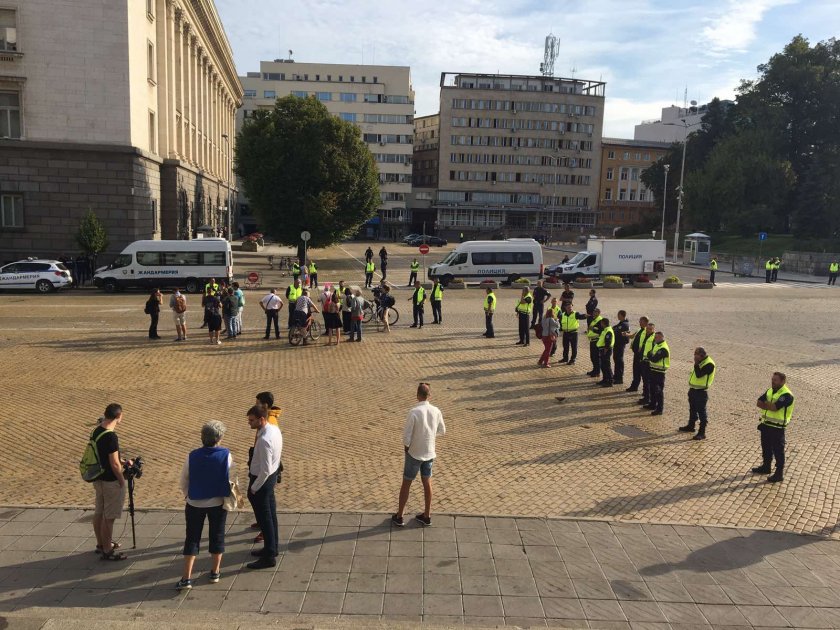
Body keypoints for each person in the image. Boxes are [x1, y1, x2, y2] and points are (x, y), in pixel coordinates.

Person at [176, 420, 233, 590]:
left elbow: (183, 480)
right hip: (217, 502)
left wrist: (187, 495)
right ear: (219, 438)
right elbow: (232, 479)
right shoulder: (226, 455)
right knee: (217, 535)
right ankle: (215, 572)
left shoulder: (192, 455)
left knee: (192, 538)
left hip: (194, 503)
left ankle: (186, 578)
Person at [392, 382, 446, 527]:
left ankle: (400, 515)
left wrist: (406, 448)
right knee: (427, 482)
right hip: (429, 453)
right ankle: (427, 515)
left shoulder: (414, 412)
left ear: (417, 395)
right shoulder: (436, 411)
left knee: (406, 483)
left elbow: (406, 436)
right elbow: (442, 430)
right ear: (430, 395)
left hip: (414, 453)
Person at [246, 405, 283, 569]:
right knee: (271, 515)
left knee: (265, 518)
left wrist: (254, 487)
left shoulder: (264, 440)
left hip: (263, 481)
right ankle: (272, 548)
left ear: (261, 419)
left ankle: (269, 556)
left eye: (252, 420)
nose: (249, 423)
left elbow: (265, 469)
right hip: (271, 477)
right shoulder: (273, 429)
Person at [91, 403, 128, 561]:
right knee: (109, 517)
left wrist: (123, 461)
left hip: (98, 478)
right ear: (118, 416)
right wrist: (121, 480)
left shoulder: (97, 430)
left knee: (99, 512)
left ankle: (101, 544)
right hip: (110, 481)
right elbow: (114, 463)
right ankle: (107, 550)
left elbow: (104, 455)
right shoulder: (111, 436)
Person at [752, 372, 794, 483]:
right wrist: (768, 405)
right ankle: (766, 466)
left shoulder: (787, 395)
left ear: (782, 381)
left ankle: (779, 473)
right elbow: (758, 402)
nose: (772, 381)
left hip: (777, 428)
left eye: (775, 380)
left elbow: (775, 408)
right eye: (772, 379)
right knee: (765, 447)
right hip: (766, 424)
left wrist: (767, 404)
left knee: (778, 451)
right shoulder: (770, 390)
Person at [679, 347, 716, 440]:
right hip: (693, 389)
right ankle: (691, 426)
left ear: (702, 355)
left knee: (702, 412)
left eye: (696, 355)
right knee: (692, 409)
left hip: (701, 392)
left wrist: (696, 363)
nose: (694, 356)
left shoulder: (709, 364)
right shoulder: (701, 362)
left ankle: (702, 432)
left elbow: (699, 375)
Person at [645, 331, 670, 416]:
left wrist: (651, 356)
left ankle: (659, 409)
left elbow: (654, 358)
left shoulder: (663, 348)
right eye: (655, 337)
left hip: (659, 372)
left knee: (658, 391)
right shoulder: (657, 345)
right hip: (653, 370)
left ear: (662, 337)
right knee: (652, 388)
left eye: (657, 337)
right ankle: (652, 404)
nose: (655, 339)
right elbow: (650, 353)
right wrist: (651, 355)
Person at [626, 317, 651, 393]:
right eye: (639, 321)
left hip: (643, 357)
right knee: (636, 371)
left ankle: (646, 392)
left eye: (641, 321)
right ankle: (634, 386)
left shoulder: (648, 332)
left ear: (646, 322)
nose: (639, 322)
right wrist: (626, 334)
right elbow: (632, 336)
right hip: (636, 355)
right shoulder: (639, 330)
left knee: (644, 375)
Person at [612, 311, 630, 385]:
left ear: (622, 315)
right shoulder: (621, 323)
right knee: (616, 359)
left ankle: (619, 378)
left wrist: (614, 330)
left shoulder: (624, 324)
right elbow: (614, 328)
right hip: (617, 344)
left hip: (620, 344)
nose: (617, 316)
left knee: (619, 360)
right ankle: (616, 376)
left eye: (618, 315)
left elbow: (616, 331)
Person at [596, 317, 615, 386]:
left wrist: (605, 350)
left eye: (601, 323)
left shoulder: (608, 330)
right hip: (602, 349)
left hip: (606, 350)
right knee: (603, 366)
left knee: (607, 366)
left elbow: (608, 341)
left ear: (603, 323)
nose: (600, 324)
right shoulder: (605, 329)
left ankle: (610, 381)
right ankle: (605, 379)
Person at [585, 308, 603, 378]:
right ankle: (594, 369)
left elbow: (600, 330)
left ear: (598, 313)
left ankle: (597, 372)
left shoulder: (600, 320)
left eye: (595, 312)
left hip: (597, 340)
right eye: (593, 311)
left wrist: (592, 329)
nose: (593, 313)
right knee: (592, 357)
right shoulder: (594, 319)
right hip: (592, 340)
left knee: (596, 357)